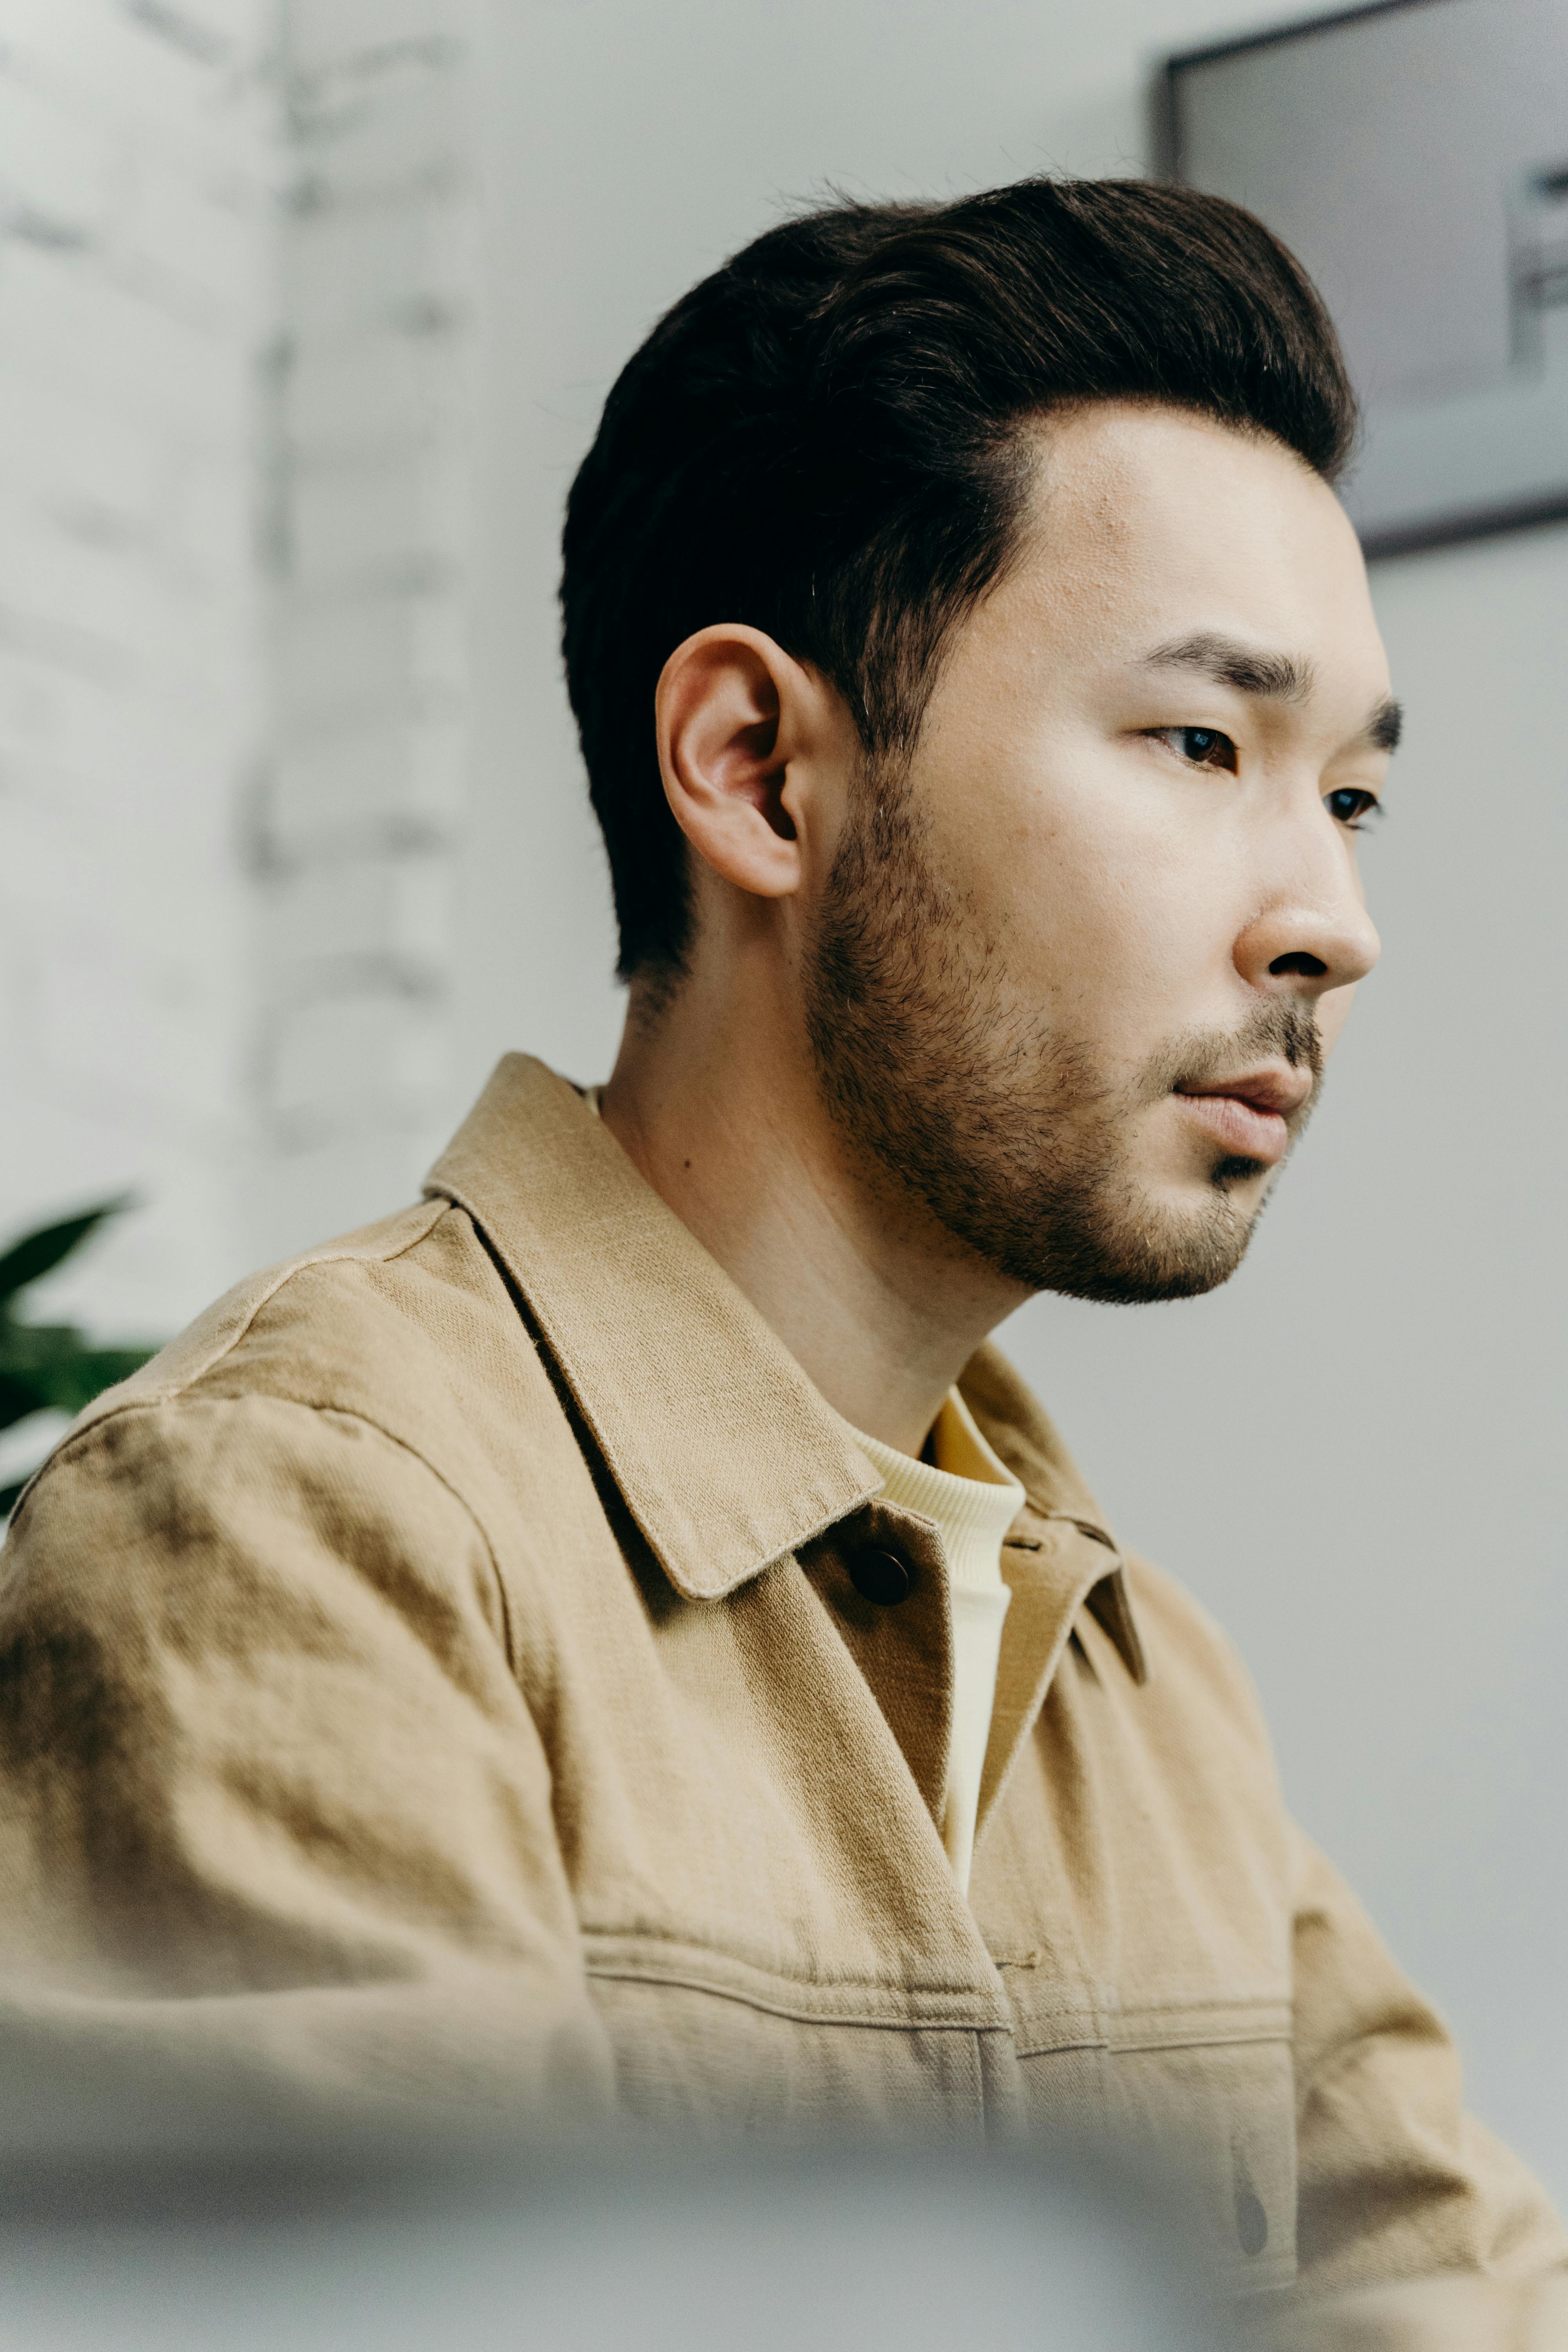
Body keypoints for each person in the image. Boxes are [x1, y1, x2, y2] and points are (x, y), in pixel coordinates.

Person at [0, 180, 1562, 2323]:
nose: (1331, 922)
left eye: (1349, 797)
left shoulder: (1139, 1687)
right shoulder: (303, 1529)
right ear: (754, 772)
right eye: (1201, 744)